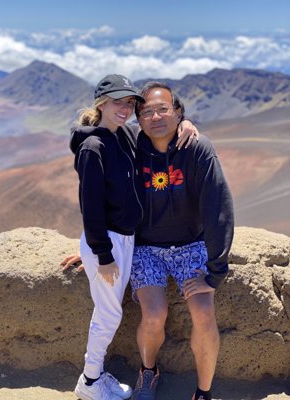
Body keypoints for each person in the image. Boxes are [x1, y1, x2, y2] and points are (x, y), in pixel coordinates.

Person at [66, 74, 198, 400]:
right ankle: (90, 380)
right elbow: (91, 207)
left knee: (111, 311)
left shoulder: (122, 135)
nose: (125, 108)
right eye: (117, 102)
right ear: (101, 103)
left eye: (129, 102)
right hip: (109, 244)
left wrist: (188, 123)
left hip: (124, 241)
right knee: (109, 314)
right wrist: (100, 253)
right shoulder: (93, 147)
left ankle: (94, 377)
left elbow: (160, 127)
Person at [128, 82, 234, 400]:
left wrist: (215, 273)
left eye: (163, 109)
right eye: (146, 111)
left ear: (178, 111)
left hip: (191, 245)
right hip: (147, 248)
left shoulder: (198, 148)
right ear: (138, 119)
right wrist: (94, 248)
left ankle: (203, 392)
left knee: (203, 312)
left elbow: (219, 209)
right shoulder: (130, 150)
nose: (155, 116)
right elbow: (104, 197)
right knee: (154, 314)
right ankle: (148, 371)